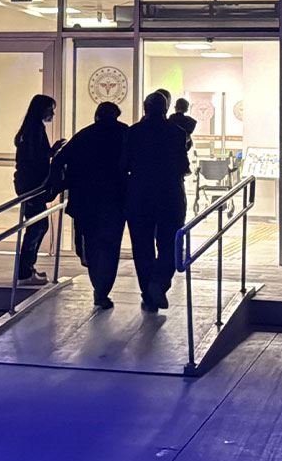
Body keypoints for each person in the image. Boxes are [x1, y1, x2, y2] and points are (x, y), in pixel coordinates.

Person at [49, 102, 129, 308]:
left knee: (91, 245)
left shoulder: (85, 135)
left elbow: (59, 160)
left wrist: (57, 186)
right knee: (110, 247)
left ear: (97, 115)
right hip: (115, 200)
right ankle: (102, 290)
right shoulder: (124, 133)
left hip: (85, 200)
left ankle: (98, 285)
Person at [124, 91, 191, 311]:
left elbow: (124, 164)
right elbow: (183, 166)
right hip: (170, 194)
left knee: (142, 245)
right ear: (165, 109)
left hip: (140, 194)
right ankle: (159, 284)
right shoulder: (177, 133)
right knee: (170, 243)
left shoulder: (133, 132)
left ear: (145, 109)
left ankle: (148, 293)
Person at [14, 94, 63, 286]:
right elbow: (36, 159)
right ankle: (25, 271)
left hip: (28, 184)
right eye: (51, 109)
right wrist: (52, 154)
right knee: (37, 226)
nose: (52, 113)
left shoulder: (30, 129)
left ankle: (27, 268)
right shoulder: (35, 129)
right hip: (32, 185)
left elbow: (35, 156)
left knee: (38, 225)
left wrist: (52, 151)